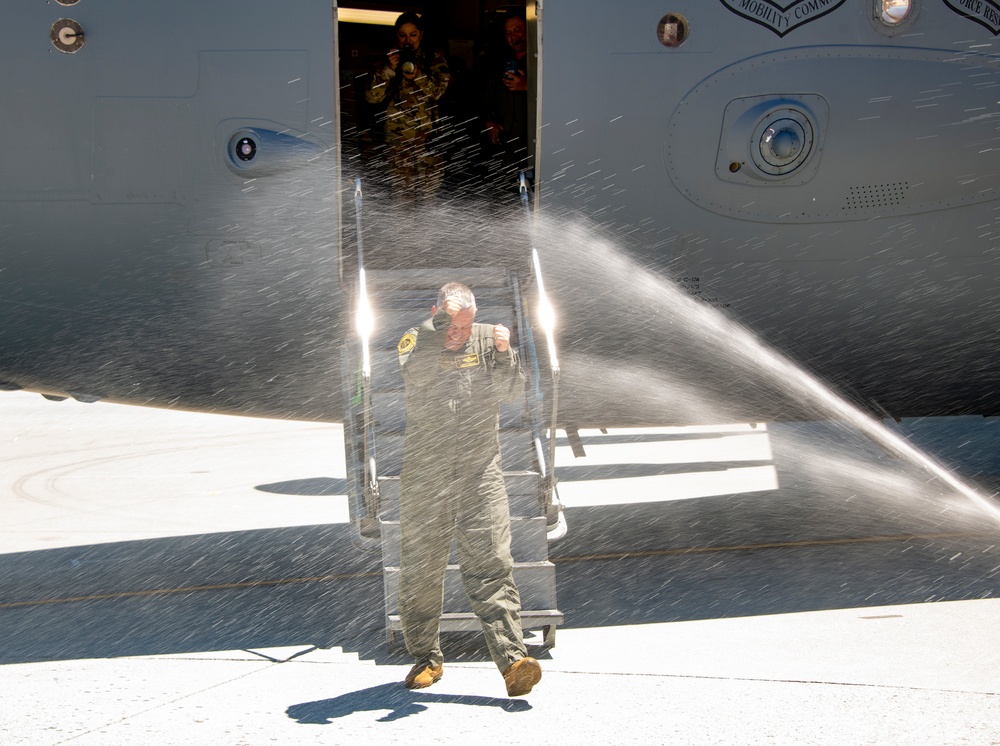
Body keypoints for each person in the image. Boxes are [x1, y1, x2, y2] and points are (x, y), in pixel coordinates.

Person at [395, 282, 542, 698]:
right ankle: (427, 658)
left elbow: (512, 393)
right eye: (452, 325)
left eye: (465, 325)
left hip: (481, 474)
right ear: (436, 312)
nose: (459, 334)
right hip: (427, 477)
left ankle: (514, 660)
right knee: (422, 569)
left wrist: (503, 354)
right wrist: (441, 325)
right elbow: (415, 373)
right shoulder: (417, 337)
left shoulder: (486, 336)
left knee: (493, 564)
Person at [365, 12, 451, 201]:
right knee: (402, 204)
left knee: (428, 203)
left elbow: (438, 91)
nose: (408, 40)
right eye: (402, 35)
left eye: (413, 34)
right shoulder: (387, 63)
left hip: (428, 144)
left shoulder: (433, 60)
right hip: (398, 145)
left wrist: (418, 75)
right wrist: (389, 70)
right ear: (396, 36)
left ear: (421, 34)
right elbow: (371, 97)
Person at [481, 12, 531, 188]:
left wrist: (528, 86)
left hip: (533, 147)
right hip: (505, 148)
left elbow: (558, 93)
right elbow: (486, 100)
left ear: (528, 30)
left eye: (517, 30)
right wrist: (489, 122)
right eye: (508, 33)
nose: (513, 36)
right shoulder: (497, 65)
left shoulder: (543, 61)